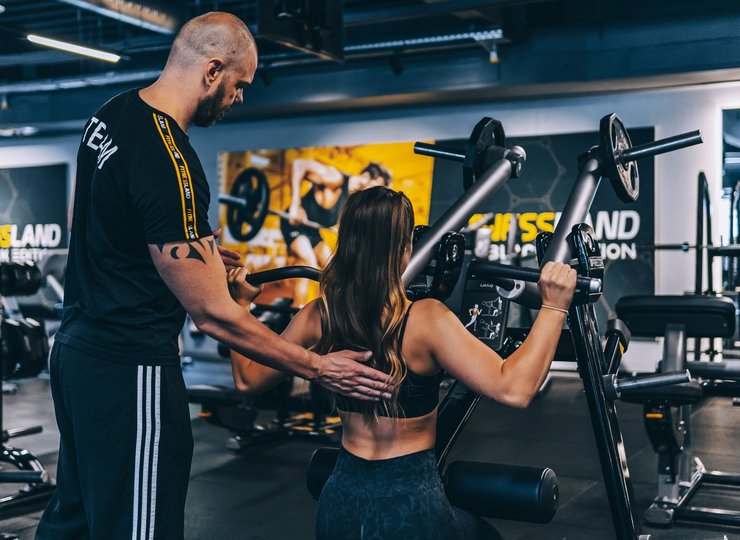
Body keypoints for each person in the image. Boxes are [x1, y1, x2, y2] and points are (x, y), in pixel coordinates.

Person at [35, 12, 392, 540]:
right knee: (139, 526)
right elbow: (213, 316)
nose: (240, 98)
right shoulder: (171, 161)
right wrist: (318, 367)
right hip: (131, 367)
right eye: (239, 85)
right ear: (212, 70)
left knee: (78, 517)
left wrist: (191, 260)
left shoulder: (109, 116)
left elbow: (92, 225)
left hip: (75, 354)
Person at [227, 186, 577, 540]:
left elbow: (247, 380)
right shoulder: (426, 320)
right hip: (409, 504)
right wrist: (554, 306)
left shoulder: (318, 315)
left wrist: (240, 307)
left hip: (340, 502)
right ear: (405, 248)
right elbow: (515, 389)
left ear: (346, 243)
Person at [281, 158, 392, 306]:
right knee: (308, 262)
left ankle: (322, 314)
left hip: (312, 231)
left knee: (333, 271)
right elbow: (299, 164)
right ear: (366, 177)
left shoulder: (352, 201)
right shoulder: (336, 179)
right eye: (375, 189)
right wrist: (296, 204)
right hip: (294, 225)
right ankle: (295, 313)